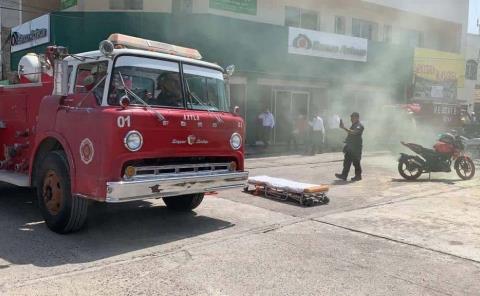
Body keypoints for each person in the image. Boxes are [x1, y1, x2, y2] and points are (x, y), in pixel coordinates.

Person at [335, 112, 364, 181]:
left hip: (356, 148)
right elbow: (350, 135)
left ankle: (358, 176)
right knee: (346, 162)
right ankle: (344, 175)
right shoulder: (353, 125)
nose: (351, 119)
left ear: (357, 118)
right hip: (350, 147)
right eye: (351, 117)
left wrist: (344, 128)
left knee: (356, 162)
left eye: (352, 117)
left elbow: (354, 132)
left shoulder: (359, 125)